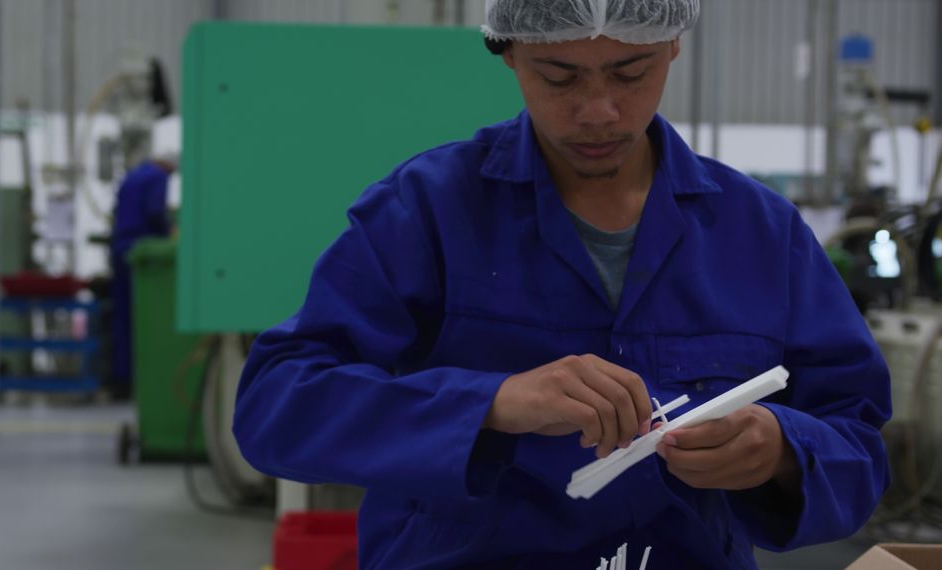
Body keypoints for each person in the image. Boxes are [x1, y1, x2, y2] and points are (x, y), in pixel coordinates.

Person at [233, 1, 892, 567]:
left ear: (672, 45)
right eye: (560, 76)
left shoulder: (759, 232)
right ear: (510, 54)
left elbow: (858, 441)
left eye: (631, 72)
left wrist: (782, 450)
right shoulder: (428, 212)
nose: (599, 111)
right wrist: (493, 403)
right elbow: (277, 406)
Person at [109, 156, 176, 400]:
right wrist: (169, 233)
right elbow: (154, 210)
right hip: (141, 251)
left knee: (123, 319)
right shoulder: (157, 177)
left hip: (121, 249)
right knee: (139, 320)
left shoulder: (134, 175)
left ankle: (121, 380)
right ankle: (133, 381)